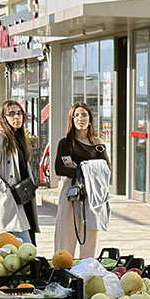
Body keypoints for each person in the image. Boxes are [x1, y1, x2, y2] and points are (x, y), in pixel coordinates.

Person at [53, 101, 107, 258]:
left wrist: (81, 168)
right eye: (76, 115)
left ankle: (87, 268)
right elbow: (59, 168)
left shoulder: (98, 143)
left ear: (90, 119)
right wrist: (84, 170)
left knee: (90, 235)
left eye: (84, 115)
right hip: (71, 192)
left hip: (93, 193)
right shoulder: (65, 143)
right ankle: (63, 267)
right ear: (71, 119)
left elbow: (106, 169)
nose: (80, 118)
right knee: (65, 235)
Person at [0, 98, 40, 242]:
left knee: (25, 243)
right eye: (12, 114)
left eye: (19, 113)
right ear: (4, 117)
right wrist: (5, 191)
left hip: (24, 197)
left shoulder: (18, 137)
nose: (17, 117)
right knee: (24, 245)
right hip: (12, 199)